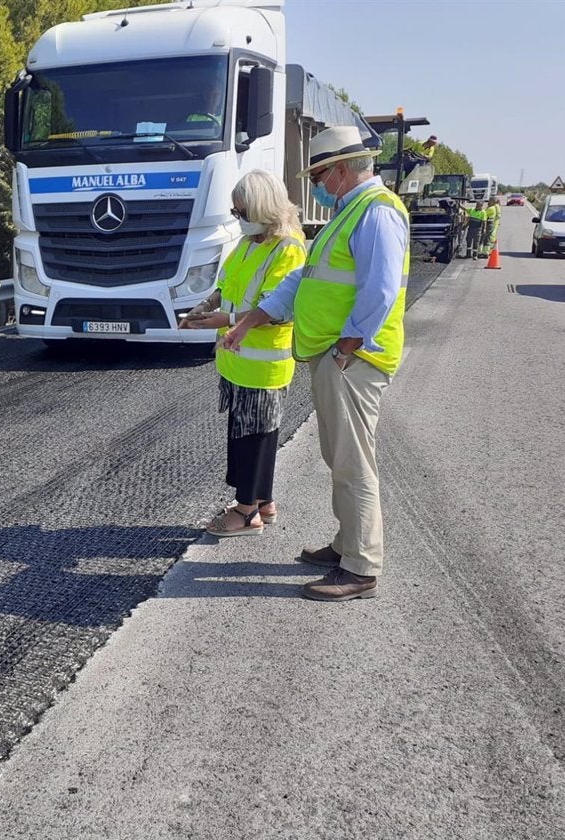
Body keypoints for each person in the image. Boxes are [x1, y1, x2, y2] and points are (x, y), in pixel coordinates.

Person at [220, 126, 408, 602]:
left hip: (355, 359)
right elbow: (304, 282)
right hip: (337, 355)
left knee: (352, 462)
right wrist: (253, 318)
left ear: (343, 169)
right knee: (338, 457)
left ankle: (361, 567)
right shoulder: (349, 215)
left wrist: (349, 345)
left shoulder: (378, 213)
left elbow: (380, 290)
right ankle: (347, 545)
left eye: (321, 174)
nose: (318, 185)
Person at [179, 170, 306, 536]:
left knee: (256, 437)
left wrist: (227, 319)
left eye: (242, 212)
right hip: (237, 359)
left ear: (263, 208)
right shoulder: (249, 243)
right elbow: (226, 284)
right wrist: (203, 306)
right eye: (235, 212)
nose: (238, 219)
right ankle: (263, 502)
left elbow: (276, 307)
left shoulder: (288, 249)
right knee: (245, 433)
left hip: (263, 363)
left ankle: (245, 511)